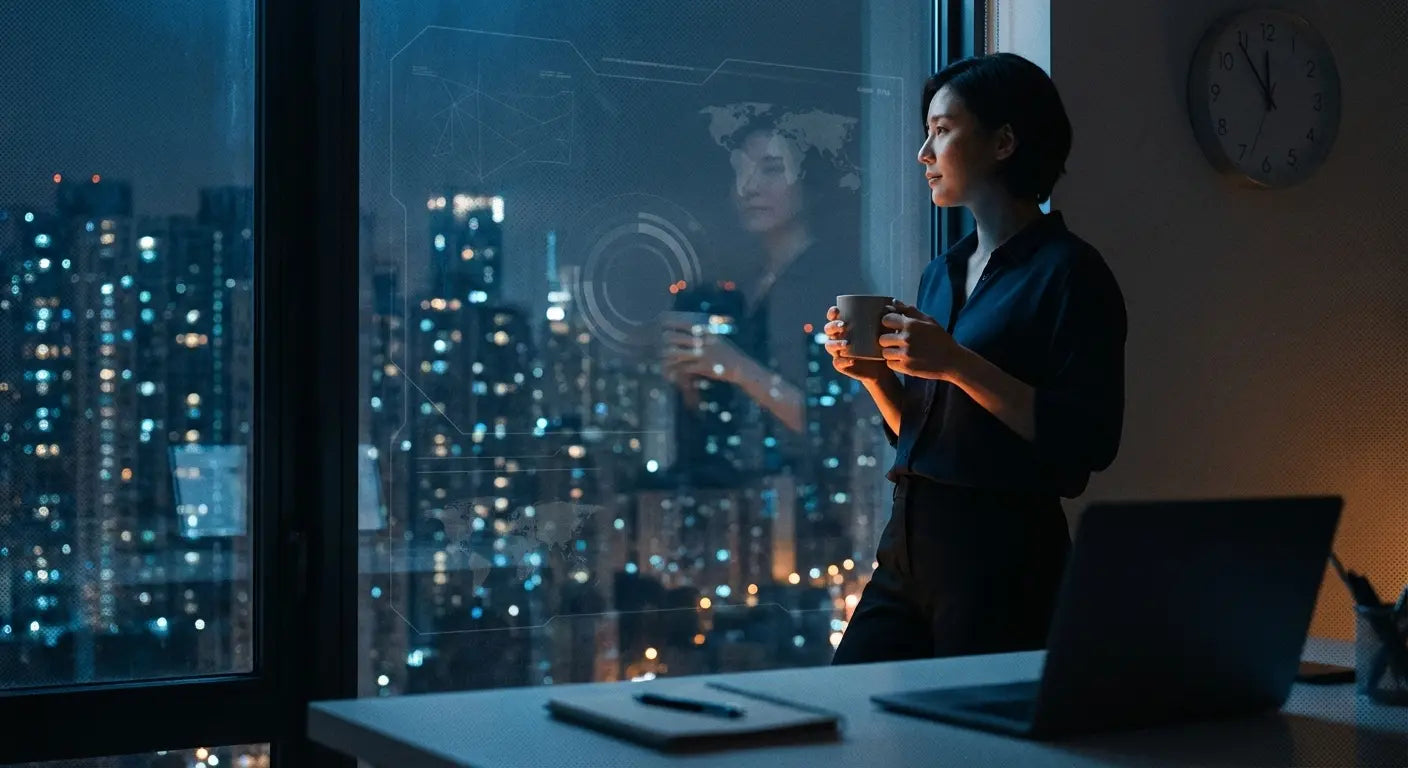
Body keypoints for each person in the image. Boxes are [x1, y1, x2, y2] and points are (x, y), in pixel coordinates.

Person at [825, 53, 1127, 663]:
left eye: (941, 129)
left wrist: (955, 362)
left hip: (1002, 553)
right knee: (847, 710)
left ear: (1005, 141)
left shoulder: (1071, 272)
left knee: (974, 748)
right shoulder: (942, 272)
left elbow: (1087, 444)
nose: (923, 153)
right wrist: (878, 378)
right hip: (909, 538)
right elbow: (924, 433)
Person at [663, 112, 862, 448]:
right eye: (739, 172)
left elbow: (841, 423)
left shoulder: (835, 283)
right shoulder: (738, 290)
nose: (749, 187)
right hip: (746, 487)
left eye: (771, 170)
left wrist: (732, 366)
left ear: (806, 181)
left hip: (816, 488)